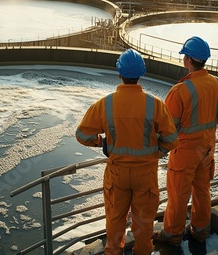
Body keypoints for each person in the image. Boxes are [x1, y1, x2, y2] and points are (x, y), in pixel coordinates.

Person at [75, 48, 179, 255]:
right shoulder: (155, 105)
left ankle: (114, 251)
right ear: (141, 74)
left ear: (120, 74)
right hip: (146, 174)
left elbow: (82, 135)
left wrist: (100, 143)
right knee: (143, 222)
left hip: (117, 174)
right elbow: (171, 139)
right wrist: (157, 153)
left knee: (115, 219)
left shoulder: (105, 104)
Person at [152, 36, 218, 246]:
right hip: (207, 149)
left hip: (185, 151)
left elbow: (167, 129)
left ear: (187, 59)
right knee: (202, 190)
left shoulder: (180, 91)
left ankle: (172, 234)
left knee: (178, 195)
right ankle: (200, 230)